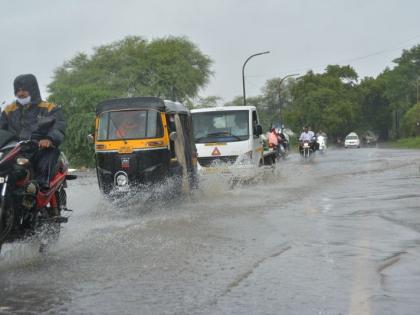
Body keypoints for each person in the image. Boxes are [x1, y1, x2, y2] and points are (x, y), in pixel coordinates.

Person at [0, 74, 66, 190]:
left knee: (50, 153)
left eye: (24, 90)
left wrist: (49, 139)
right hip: (15, 150)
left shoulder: (49, 108)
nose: (20, 93)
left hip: (39, 147)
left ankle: (41, 187)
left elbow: (59, 126)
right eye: (18, 91)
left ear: (33, 89)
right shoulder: (8, 110)